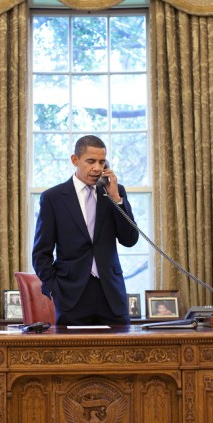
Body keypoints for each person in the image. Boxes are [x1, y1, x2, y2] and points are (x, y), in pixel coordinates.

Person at [32, 135, 139, 325]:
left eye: (102, 162)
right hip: (71, 296)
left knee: (120, 345)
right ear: (75, 160)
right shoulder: (53, 198)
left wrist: (116, 199)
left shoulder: (114, 191)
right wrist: (54, 289)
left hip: (111, 294)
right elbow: (41, 253)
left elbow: (130, 239)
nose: (97, 168)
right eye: (91, 161)